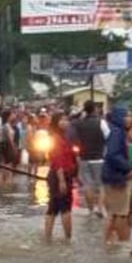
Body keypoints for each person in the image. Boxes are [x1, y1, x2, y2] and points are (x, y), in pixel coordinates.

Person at [101, 107, 132, 246]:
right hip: (117, 177)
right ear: (119, 117)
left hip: (112, 176)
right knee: (121, 213)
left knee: (113, 213)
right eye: (127, 116)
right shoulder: (117, 133)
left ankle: (108, 242)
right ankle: (122, 244)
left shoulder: (115, 131)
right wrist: (129, 167)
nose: (130, 119)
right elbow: (112, 155)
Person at [73, 100, 108, 218]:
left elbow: (75, 137)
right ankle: (100, 207)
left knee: (88, 184)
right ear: (94, 109)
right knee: (102, 184)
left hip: (84, 158)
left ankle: (90, 210)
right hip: (99, 157)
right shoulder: (101, 122)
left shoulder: (80, 123)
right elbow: (108, 136)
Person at [45, 113, 76, 242]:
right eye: (61, 119)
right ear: (56, 122)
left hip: (60, 175)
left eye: (66, 119)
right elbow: (57, 160)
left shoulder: (62, 137)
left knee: (53, 207)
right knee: (65, 208)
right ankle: (68, 239)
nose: (65, 122)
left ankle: (48, 239)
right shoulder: (56, 138)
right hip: (59, 175)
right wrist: (62, 180)